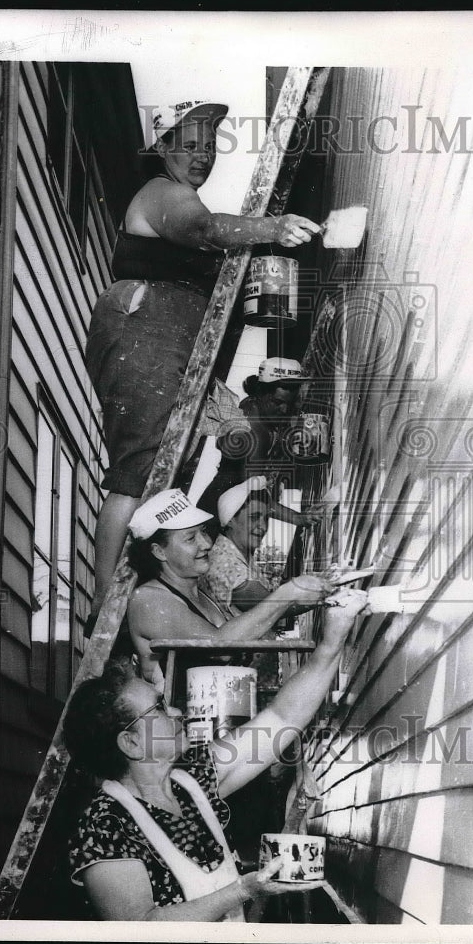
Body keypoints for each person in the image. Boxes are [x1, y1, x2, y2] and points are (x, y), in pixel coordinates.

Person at [86, 101, 321, 624]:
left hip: (179, 345)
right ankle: (106, 599)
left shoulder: (181, 195)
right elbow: (203, 229)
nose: (202, 156)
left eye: (210, 146)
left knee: (174, 470)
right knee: (140, 469)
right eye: (189, 145)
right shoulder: (163, 193)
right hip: (143, 327)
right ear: (163, 149)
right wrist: (272, 226)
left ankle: (147, 586)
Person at [63, 588, 369, 920]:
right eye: (159, 708)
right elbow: (140, 926)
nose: (177, 711)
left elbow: (281, 719)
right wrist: (244, 890)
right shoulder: (104, 825)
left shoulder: (192, 780)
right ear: (131, 743)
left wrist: (332, 640)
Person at [124, 488, 336, 686]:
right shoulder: (148, 599)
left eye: (203, 532)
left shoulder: (200, 594)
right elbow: (219, 646)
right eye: (190, 538)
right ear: (159, 552)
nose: (206, 544)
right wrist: (286, 594)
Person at [196, 357, 324, 535]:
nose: (284, 410)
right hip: (218, 516)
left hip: (234, 512)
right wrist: (298, 518)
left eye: (289, 403)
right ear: (262, 392)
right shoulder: (253, 432)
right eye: (278, 403)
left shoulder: (258, 406)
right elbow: (253, 493)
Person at [202, 475, 276, 616]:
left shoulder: (241, 553)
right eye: (254, 517)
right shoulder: (224, 562)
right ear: (230, 520)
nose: (263, 526)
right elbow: (274, 606)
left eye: (266, 518)